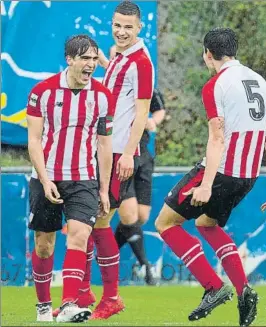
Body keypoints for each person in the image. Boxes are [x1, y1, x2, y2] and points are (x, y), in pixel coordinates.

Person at [155, 27, 266, 327]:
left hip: (221, 172)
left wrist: (206, 185)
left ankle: (212, 286)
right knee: (206, 225)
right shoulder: (261, 83)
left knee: (165, 223)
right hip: (247, 177)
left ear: (207, 54)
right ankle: (243, 290)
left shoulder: (215, 85)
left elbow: (217, 138)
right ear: (234, 51)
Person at [27, 34, 114, 323]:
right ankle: (43, 307)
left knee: (79, 237)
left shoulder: (102, 96)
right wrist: (45, 178)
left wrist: (103, 189)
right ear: (70, 60)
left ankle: (68, 305)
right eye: (85, 58)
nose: (91, 64)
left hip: (84, 179)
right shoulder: (43, 92)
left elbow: (104, 145)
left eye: (94, 59)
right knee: (44, 245)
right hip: (46, 177)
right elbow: (34, 140)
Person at [87, 0, 154, 320]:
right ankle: (88, 294)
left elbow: (142, 112)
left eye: (129, 26)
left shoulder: (141, 62)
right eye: (117, 25)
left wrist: (128, 152)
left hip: (117, 154)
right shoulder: (119, 56)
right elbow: (113, 80)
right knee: (90, 221)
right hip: (100, 149)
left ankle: (109, 296)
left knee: (98, 221)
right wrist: (100, 57)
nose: (122, 31)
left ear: (140, 28)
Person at [114, 87, 166, 285]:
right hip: (119, 155)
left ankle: (105, 255)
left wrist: (152, 120)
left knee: (141, 217)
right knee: (129, 215)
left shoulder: (145, 84)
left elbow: (159, 110)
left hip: (142, 155)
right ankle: (146, 266)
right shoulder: (113, 85)